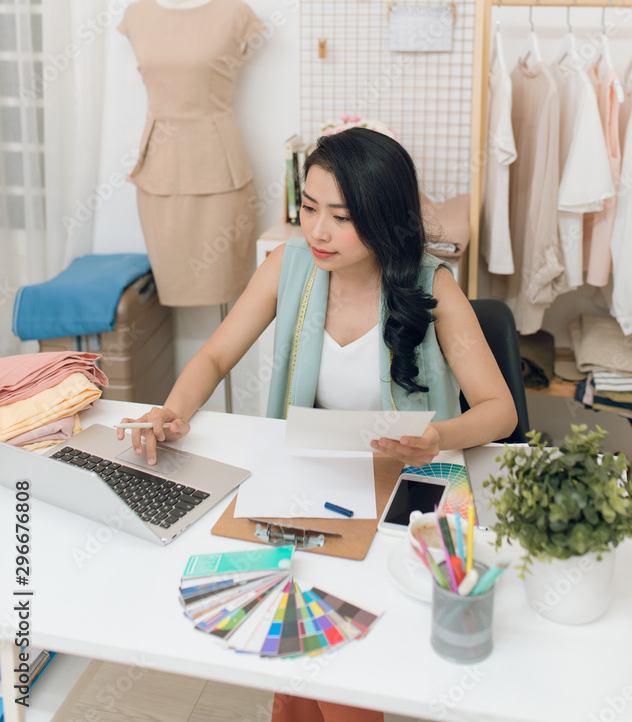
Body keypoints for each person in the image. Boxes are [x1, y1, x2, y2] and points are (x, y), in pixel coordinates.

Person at [118, 127, 517, 722]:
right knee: (297, 632)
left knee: (344, 650)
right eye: (308, 208)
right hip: (310, 478)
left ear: (382, 218)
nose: (318, 230)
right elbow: (214, 356)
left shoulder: (432, 284)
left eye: (341, 216)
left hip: (405, 483)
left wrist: (438, 435)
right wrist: (174, 410)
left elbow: (499, 412)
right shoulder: (291, 266)